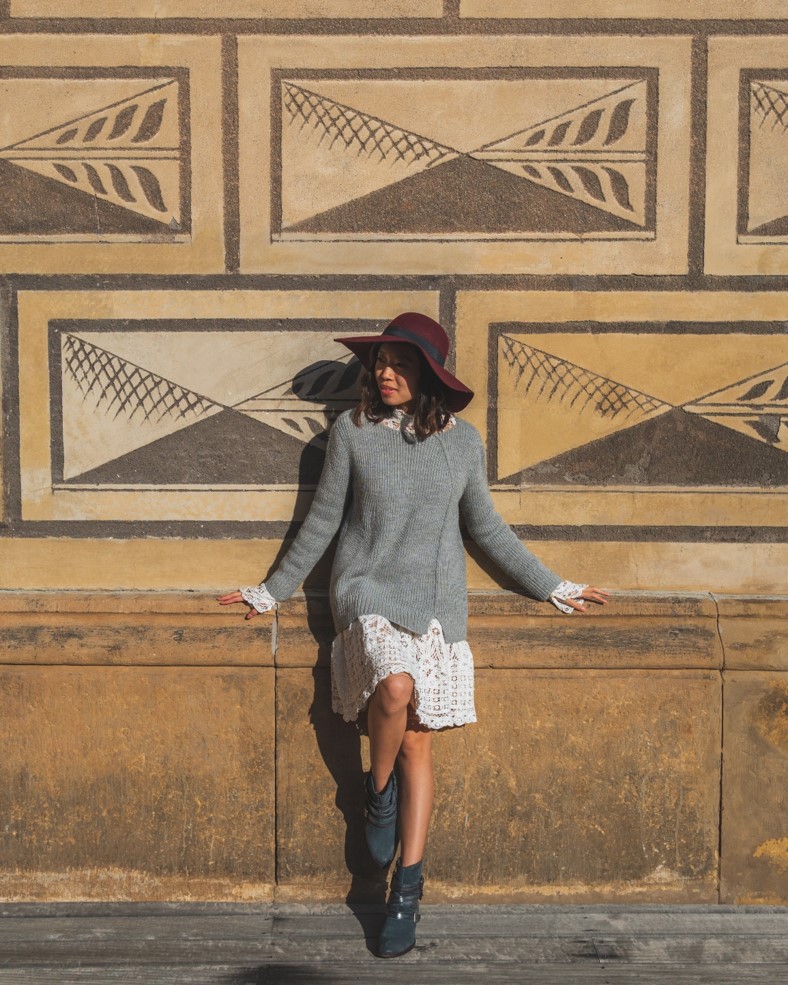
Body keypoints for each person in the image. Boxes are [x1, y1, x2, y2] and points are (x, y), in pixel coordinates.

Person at [219, 312, 610, 958]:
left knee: (419, 747)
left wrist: (554, 585)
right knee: (394, 687)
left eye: (399, 363)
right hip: (367, 590)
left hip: (433, 605)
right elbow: (321, 522)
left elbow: (487, 529)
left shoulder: (463, 443)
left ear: (430, 374)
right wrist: (270, 590)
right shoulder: (352, 432)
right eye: (381, 361)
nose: (384, 373)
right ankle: (376, 800)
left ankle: (406, 891)